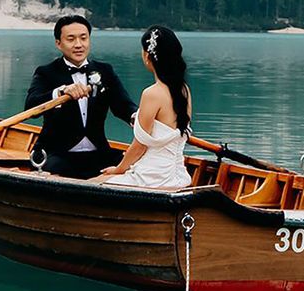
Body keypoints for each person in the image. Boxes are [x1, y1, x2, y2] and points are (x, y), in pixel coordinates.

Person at [25, 14, 139, 178]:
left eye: (83, 38)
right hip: (56, 154)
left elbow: (123, 105)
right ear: (58, 43)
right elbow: (31, 107)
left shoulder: (105, 71)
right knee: (57, 171)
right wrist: (60, 92)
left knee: (136, 165)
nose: (78, 44)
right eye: (71, 39)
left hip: (98, 153)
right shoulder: (46, 72)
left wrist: (137, 118)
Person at [96, 26, 193, 190]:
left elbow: (140, 146)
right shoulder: (184, 90)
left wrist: (118, 170)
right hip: (178, 176)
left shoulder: (152, 94)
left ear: (147, 56)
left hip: (152, 178)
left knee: (95, 181)